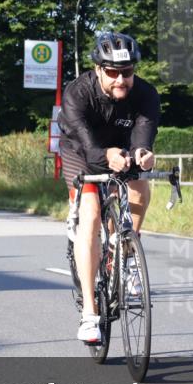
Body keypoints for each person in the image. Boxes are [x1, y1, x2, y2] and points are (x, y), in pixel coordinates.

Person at [58, 31, 160, 343]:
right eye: (113, 72)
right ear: (98, 69)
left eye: (127, 72)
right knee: (90, 215)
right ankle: (90, 315)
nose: (120, 80)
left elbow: (143, 135)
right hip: (80, 152)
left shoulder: (146, 94)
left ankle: (125, 254)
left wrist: (143, 154)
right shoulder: (77, 93)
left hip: (120, 150)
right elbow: (88, 146)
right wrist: (106, 156)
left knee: (140, 186)